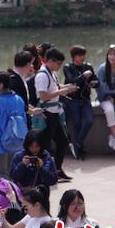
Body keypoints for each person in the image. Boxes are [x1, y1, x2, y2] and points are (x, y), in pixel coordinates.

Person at [34, 48, 79, 182]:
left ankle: (57, 170)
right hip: (46, 114)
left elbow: (55, 87)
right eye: (58, 63)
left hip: (54, 113)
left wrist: (67, 87)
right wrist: (61, 92)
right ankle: (44, 173)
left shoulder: (51, 72)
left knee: (62, 141)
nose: (59, 66)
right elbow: (43, 96)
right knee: (45, 145)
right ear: (50, 61)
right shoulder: (42, 75)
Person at [0, 73, 28, 177]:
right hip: (17, 140)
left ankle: (4, 188)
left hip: (0, 143)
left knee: (2, 172)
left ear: (1, 85)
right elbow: (24, 121)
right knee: (13, 171)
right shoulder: (18, 99)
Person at [62, 45, 98, 160]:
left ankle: (76, 144)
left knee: (89, 121)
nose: (82, 57)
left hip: (85, 99)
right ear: (74, 56)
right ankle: (79, 151)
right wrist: (83, 76)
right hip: (72, 100)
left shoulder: (88, 66)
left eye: (83, 55)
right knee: (76, 125)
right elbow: (71, 81)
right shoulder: (68, 67)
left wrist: (94, 83)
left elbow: (96, 81)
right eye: (80, 55)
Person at [9, 131, 58, 198]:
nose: (34, 149)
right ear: (27, 145)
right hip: (22, 195)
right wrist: (22, 165)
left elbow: (53, 180)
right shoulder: (19, 156)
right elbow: (13, 176)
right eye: (31, 146)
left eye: (37, 146)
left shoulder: (46, 158)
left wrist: (42, 169)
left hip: (41, 195)